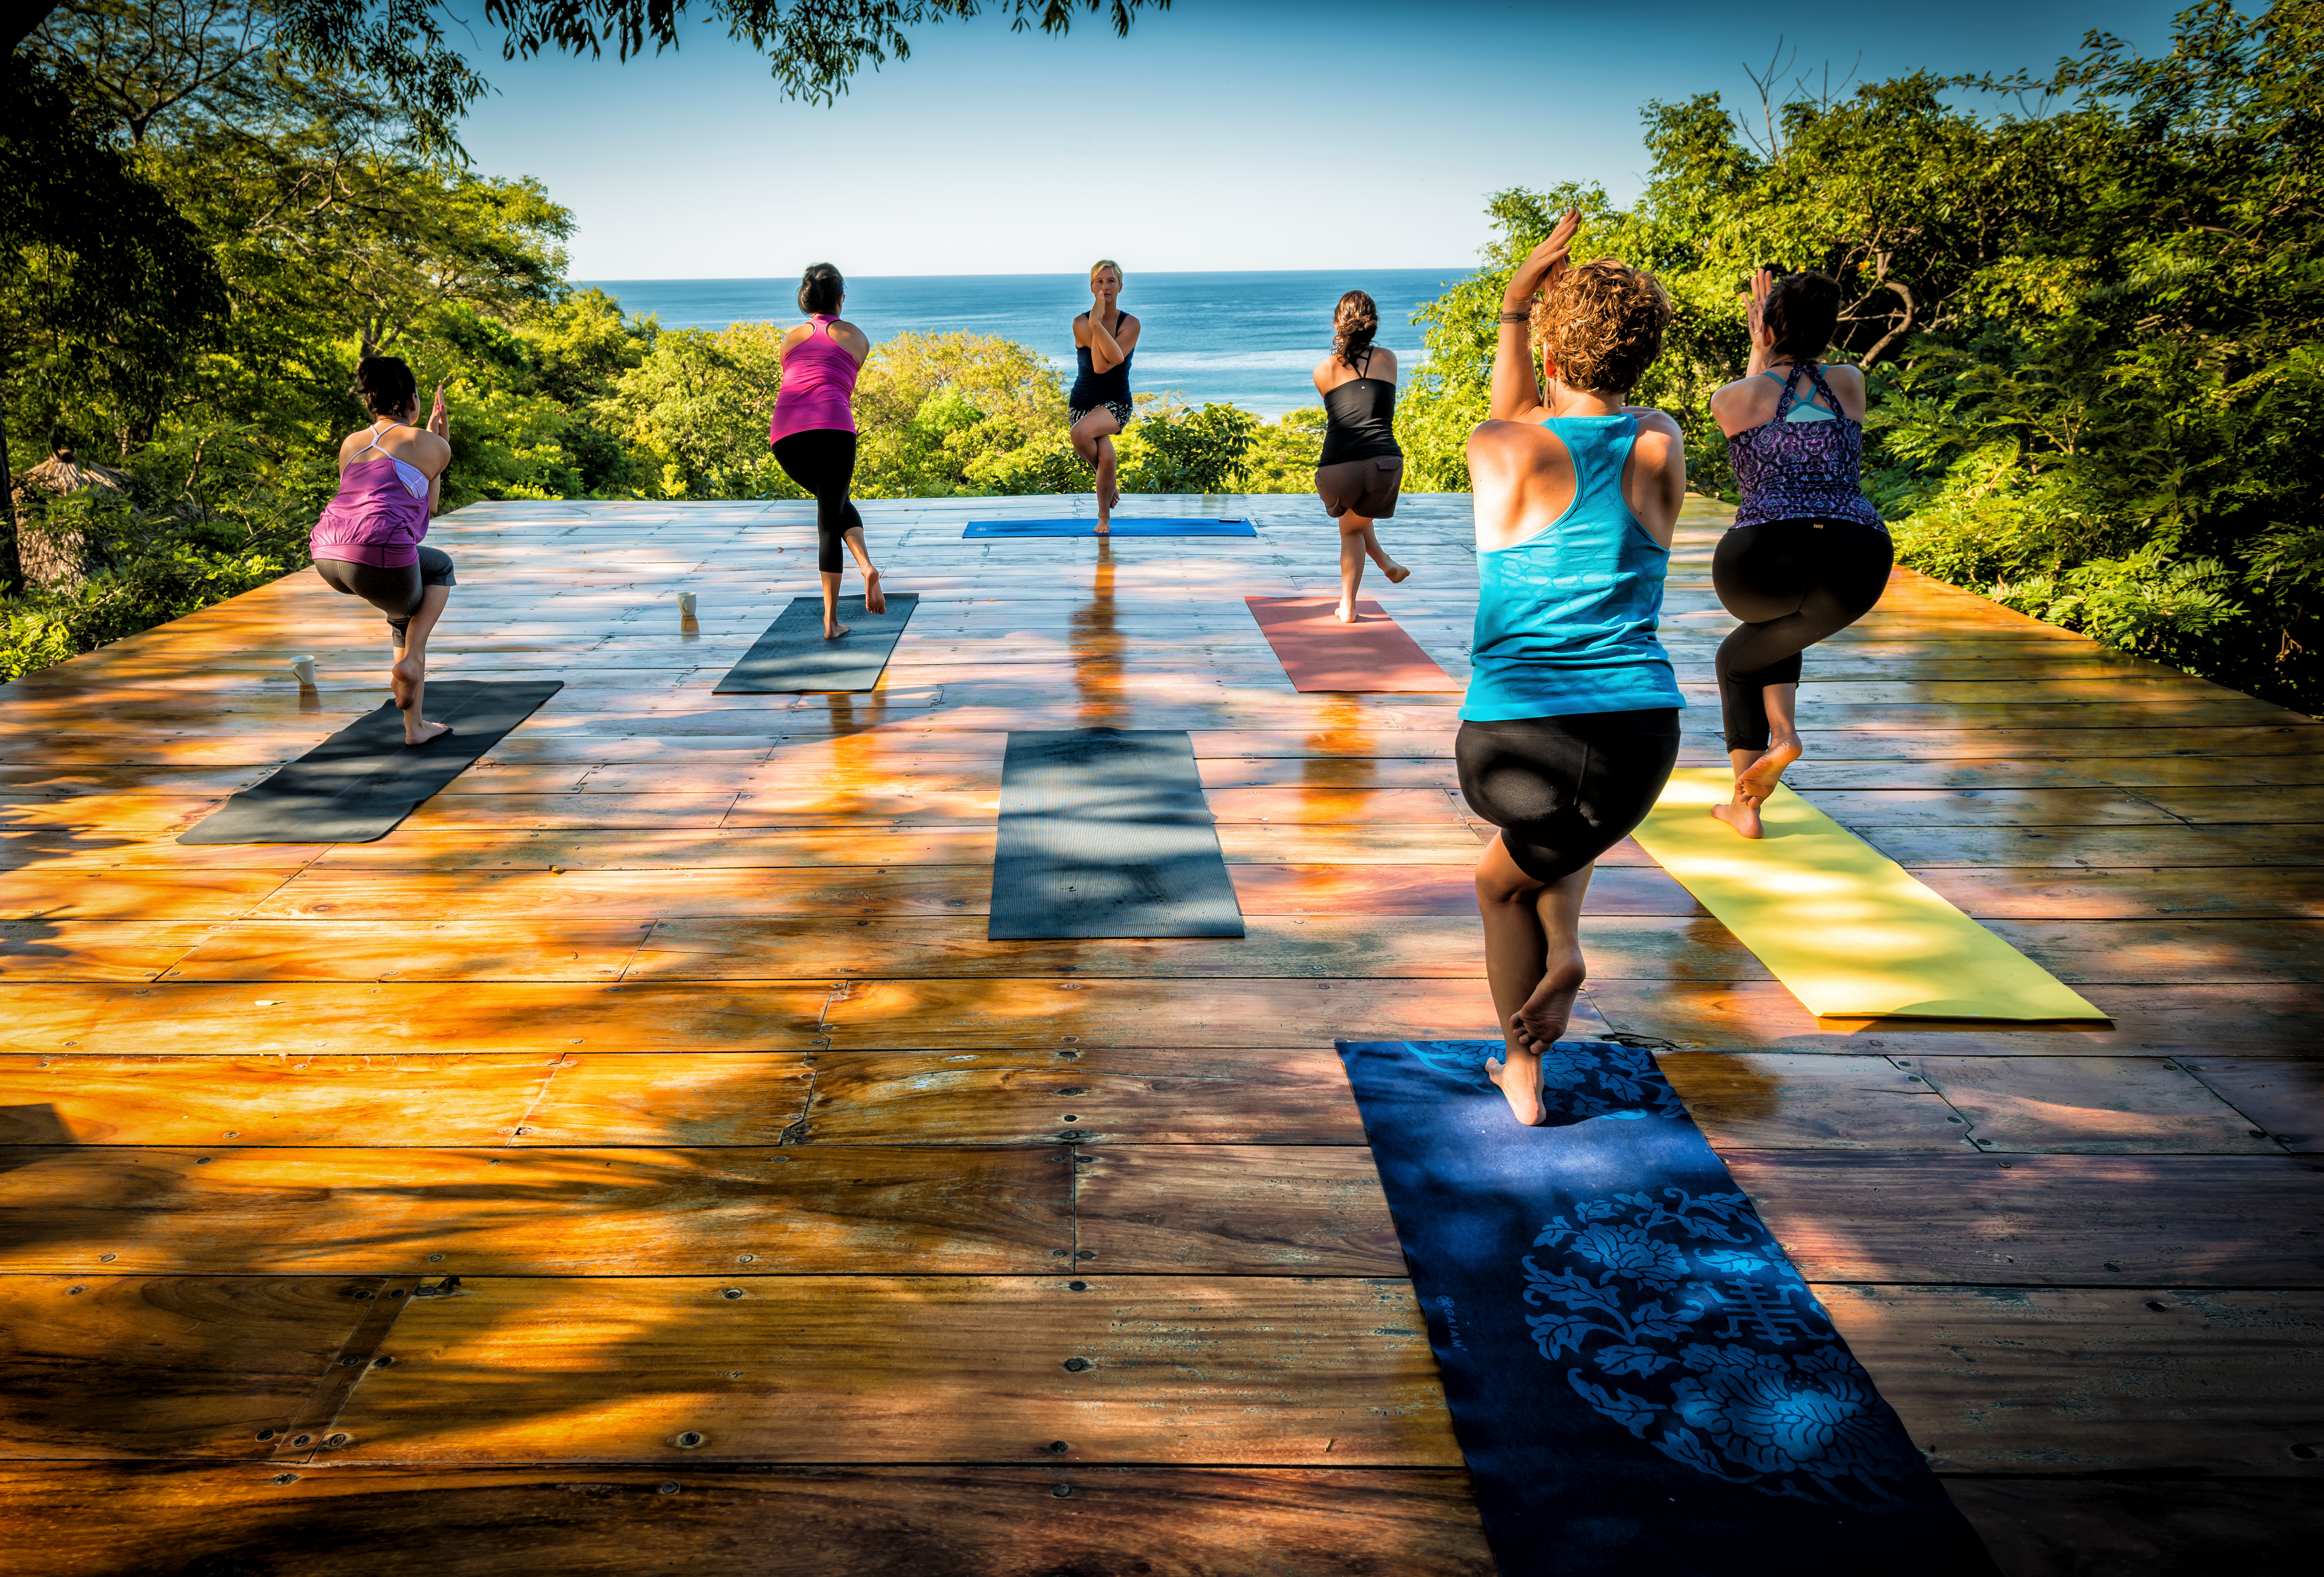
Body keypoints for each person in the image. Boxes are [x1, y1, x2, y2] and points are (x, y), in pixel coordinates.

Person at [1460, 210, 1687, 1127]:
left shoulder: (1501, 447)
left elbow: (1515, 408)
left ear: (1550, 352)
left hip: (1514, 740)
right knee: (1574, 828)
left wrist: (1519, 302)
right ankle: (1564, 943)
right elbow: (1580, 403)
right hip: (1640, 739)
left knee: (1498, 878)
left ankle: (1523, 1063)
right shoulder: (1663, 441)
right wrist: (1542, 322)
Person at [1704, 268, 1892, 838]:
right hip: (1857, 558)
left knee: (1739, 659)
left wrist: (1758, 347)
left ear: (1767, 325)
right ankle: (1782, 736)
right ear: (1828, 330)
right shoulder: (1851, 382)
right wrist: (1776, 337)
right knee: (1782, 630)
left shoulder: (1734, 397)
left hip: (1764, 558)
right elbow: (1801, 388)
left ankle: (1747, 805)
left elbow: (1757, 397)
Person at [312, 354, 456, 746]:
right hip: (376, 553)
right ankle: (411, 670)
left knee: (401, 608)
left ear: (370, 402)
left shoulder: (351, 444)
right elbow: (430, 508)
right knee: (438, 570)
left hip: (326, 555)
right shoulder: (428, 444)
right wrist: (439, 440)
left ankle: (416, 729)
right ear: (413, 401)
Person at [770, 262, 886, 638]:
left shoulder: (789, 339)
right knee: (828, 518)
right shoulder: (857, 336)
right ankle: (831, 622)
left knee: (832, 504)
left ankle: (867, 567)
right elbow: (842, 377)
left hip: (786, 437)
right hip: (834, 427)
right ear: (841, 299)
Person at [1312, 290, 1410, 621]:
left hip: (1339, 467)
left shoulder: (1323, 371)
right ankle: (1387, 564)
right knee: (1356, 519)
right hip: (1385, 464)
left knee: (1351, 527)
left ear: (1338, 324)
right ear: (1373, 324)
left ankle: (1348, 605)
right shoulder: (1389, 359)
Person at [1069, 260, 1139, 534]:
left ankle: (1104, 513)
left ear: (1120, 286)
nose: (1105, 286)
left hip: (1116, 403)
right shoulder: (1079, 323)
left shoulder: (1131, 324)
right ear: (1091, 287)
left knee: (1080, 434)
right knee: (1107, 459)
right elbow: (1102, 363)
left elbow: (1106, 363)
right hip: (1083, 401)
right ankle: (1105, 514)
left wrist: (1097, 322)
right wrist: (1094, 323)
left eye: (1111, 281)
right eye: (1099, 281)